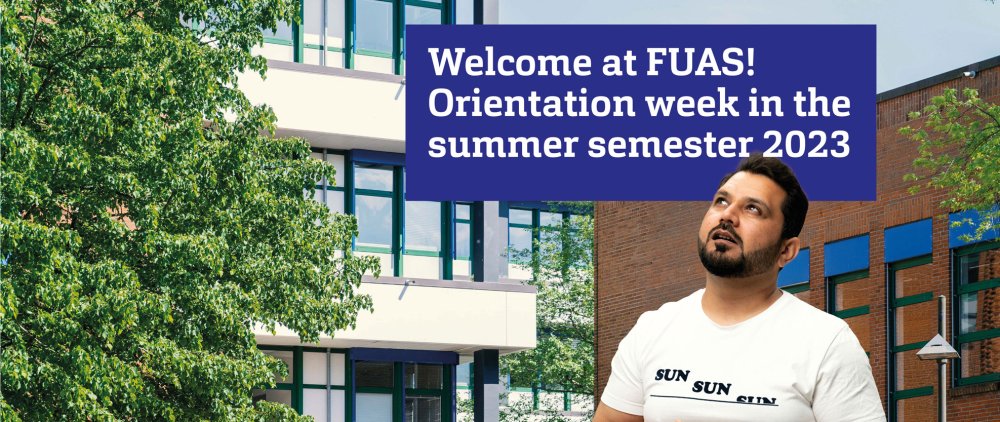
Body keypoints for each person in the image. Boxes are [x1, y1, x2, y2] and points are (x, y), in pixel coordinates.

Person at [594, 154, 886, 422]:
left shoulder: (827, 343)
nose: (728, 215)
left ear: (786, 251)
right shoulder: (653, 330)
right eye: (721, 201)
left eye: (753, 209)